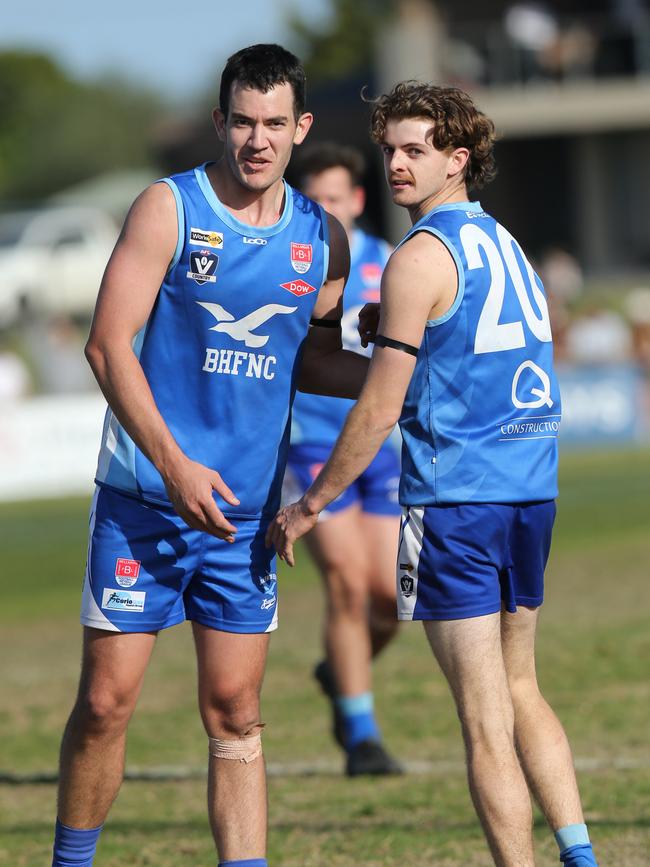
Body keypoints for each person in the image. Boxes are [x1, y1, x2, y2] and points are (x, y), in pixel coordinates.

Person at [51, 44, 370, 867]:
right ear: (220, 122)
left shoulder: (320, 238)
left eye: (273, 123)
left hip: (245, 519)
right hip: (144, 501)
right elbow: (106, 347)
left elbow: (314, 356)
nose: (256, 140)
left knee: (236, 711)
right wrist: (175, 466)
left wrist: (402, 369)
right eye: (241, 121)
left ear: (300, 127)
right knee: (106, 702)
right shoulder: (169, 209)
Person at [268, 81, 599, 867]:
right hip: (529, 490)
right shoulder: (506, 243)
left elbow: (382, 408)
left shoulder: (419, 256)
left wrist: (310, 503)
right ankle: (582, 855)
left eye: (415, 149)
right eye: (390, 149)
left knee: (485, 720)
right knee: (523, 688)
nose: (396, 164)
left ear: (459, 160)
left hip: (458, 500)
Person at [286, 142, 402, 776]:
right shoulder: (293, 263)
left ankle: (340, 671)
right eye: (317, 200)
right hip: (310, 444)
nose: (328, 209)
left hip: (379, 447)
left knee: (393, 597)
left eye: (337, 198)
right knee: (348, 586)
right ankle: (362, 736)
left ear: (356, 201)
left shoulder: (392, 264)